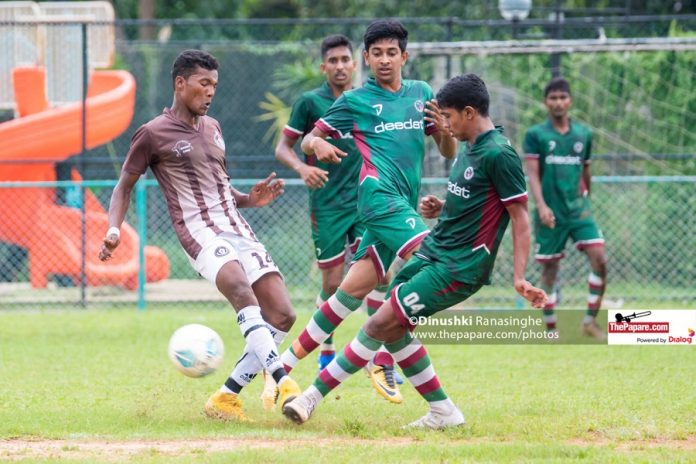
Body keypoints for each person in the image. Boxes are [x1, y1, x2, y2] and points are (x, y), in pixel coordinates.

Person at [282, 73, 548, 429]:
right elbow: (477, 201)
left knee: (379, 321)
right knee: (392, 327)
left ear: (469, 113)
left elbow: (520, 216)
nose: (444, 125)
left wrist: (518, 276)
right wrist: (443, 208)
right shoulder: (470, 147)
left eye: (448, 117)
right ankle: (443, 412)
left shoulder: (500, 154)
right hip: (436, 251)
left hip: (459, 267)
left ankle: (310, 397)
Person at [98, 49, 301, 422]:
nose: (210, 92)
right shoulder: (153, 133)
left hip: (238, 228)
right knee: (241, 289)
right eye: (203, 84)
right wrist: (113, 229)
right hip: (200, 234)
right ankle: (283, 379)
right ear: (180, 84)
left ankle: (226, 397)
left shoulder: (214, 128)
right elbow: (123, 187)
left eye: (214, 85)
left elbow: (219, 188)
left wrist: (248, 200)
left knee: (284, 314)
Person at [278, 19, 457, 404]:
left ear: (404, 56)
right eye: (376, 53)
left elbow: (447, 151)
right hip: (377, 199)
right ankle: (380, 353)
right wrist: (316, 147)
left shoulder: (422, 93)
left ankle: (280, 366)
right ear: (367, 58)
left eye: (392, 52)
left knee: (346, 294)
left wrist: (443, 130)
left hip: (402, 205)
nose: (384, 60)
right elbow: (309, 139)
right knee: (434, 260)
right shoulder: (355, 101)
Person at [274, 34, 389, 380]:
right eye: (333, 61)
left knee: (379, 274)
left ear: (356, 64)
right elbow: (284, 147)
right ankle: (326, 348)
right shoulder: (311, 102)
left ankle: (376, 352)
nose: (340, 66)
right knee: (333, 282)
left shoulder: (368, 100)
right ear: (323, 67)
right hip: (327, 205)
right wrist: (303, 167)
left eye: (345, 60)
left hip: (365, 202)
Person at [523, 77, 607, 339]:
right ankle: (551, 330)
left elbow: (586, 171)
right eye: (553, 98)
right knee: (550, 271)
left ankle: (590, 321)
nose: (558, 102)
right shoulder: (536, 135)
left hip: (579, 211)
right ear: (546, 102)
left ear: (570, 101)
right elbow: (533, 175)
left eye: (562, 97)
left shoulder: (583, 134)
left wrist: (587, 200)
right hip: (550, 214)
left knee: (600, 259)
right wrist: (542, 206)